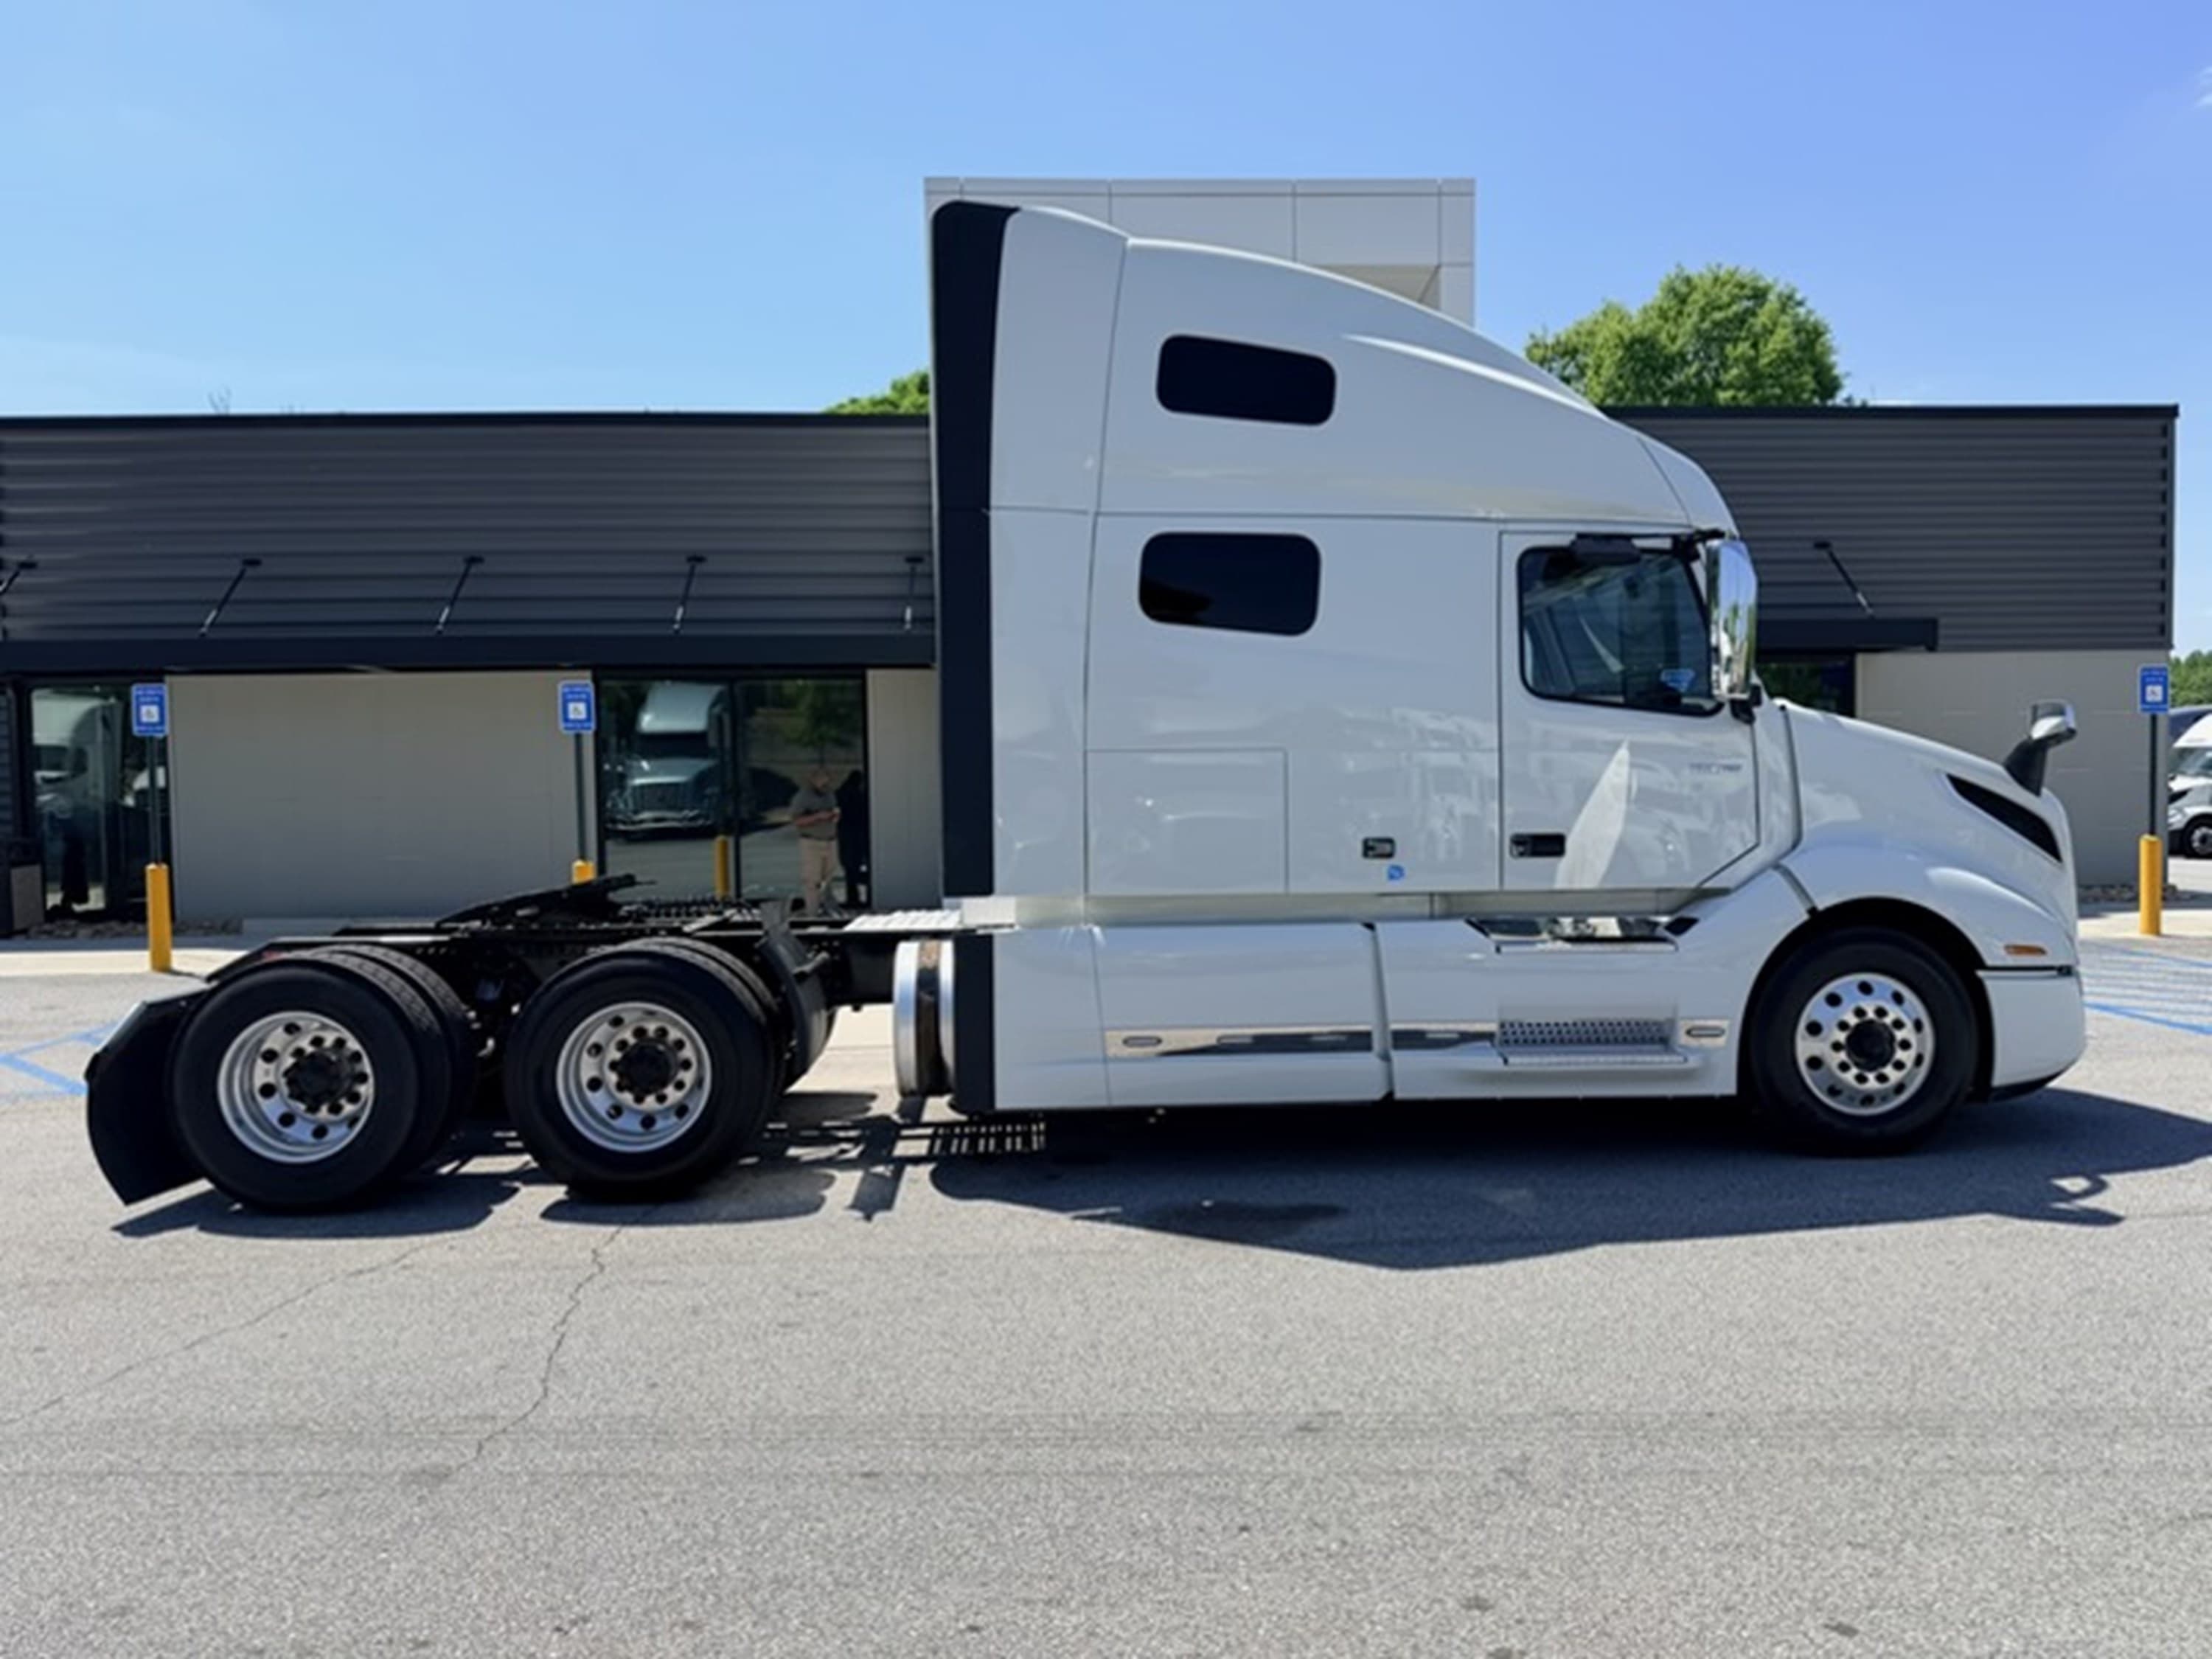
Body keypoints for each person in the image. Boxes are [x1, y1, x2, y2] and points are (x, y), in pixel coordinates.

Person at [788, 768, 841, 914]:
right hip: (811, 842)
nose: (826, 782)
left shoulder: (829, 794)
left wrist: (834, 816)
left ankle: (827, 908)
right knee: (812, 880)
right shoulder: (803, 797)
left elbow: (833, 810)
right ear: (813, 780)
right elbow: (796, 820)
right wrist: (818, 817)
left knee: (830, 876)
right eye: (822, 779)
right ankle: (812, 912)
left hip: (830, 840)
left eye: (827, 778)